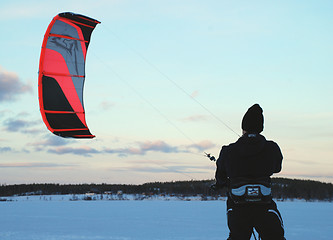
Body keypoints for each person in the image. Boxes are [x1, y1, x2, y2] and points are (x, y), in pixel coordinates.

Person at [214, 104, 285, 240]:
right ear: (261, 127)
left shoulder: (228, 150)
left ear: (243, 127)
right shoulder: (272, 148)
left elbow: (221, 177)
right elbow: (277, 168)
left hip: (237, 208)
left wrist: (221, 183)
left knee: (237, 237)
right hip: (265, 207)